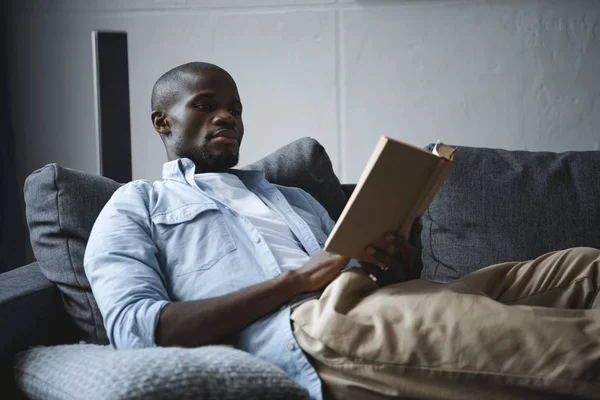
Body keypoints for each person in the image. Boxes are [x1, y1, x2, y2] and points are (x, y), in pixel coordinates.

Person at [84, 62, 600, 400]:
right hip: (306, 327)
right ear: (162, 121)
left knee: (581, 265)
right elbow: (135, 329)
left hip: (386, 300)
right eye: (206, 104)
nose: (229, 117)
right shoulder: (136, 206)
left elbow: (368, 282)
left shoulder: (294, 198)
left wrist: (392, 267)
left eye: (236, 109)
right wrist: (295, 284)